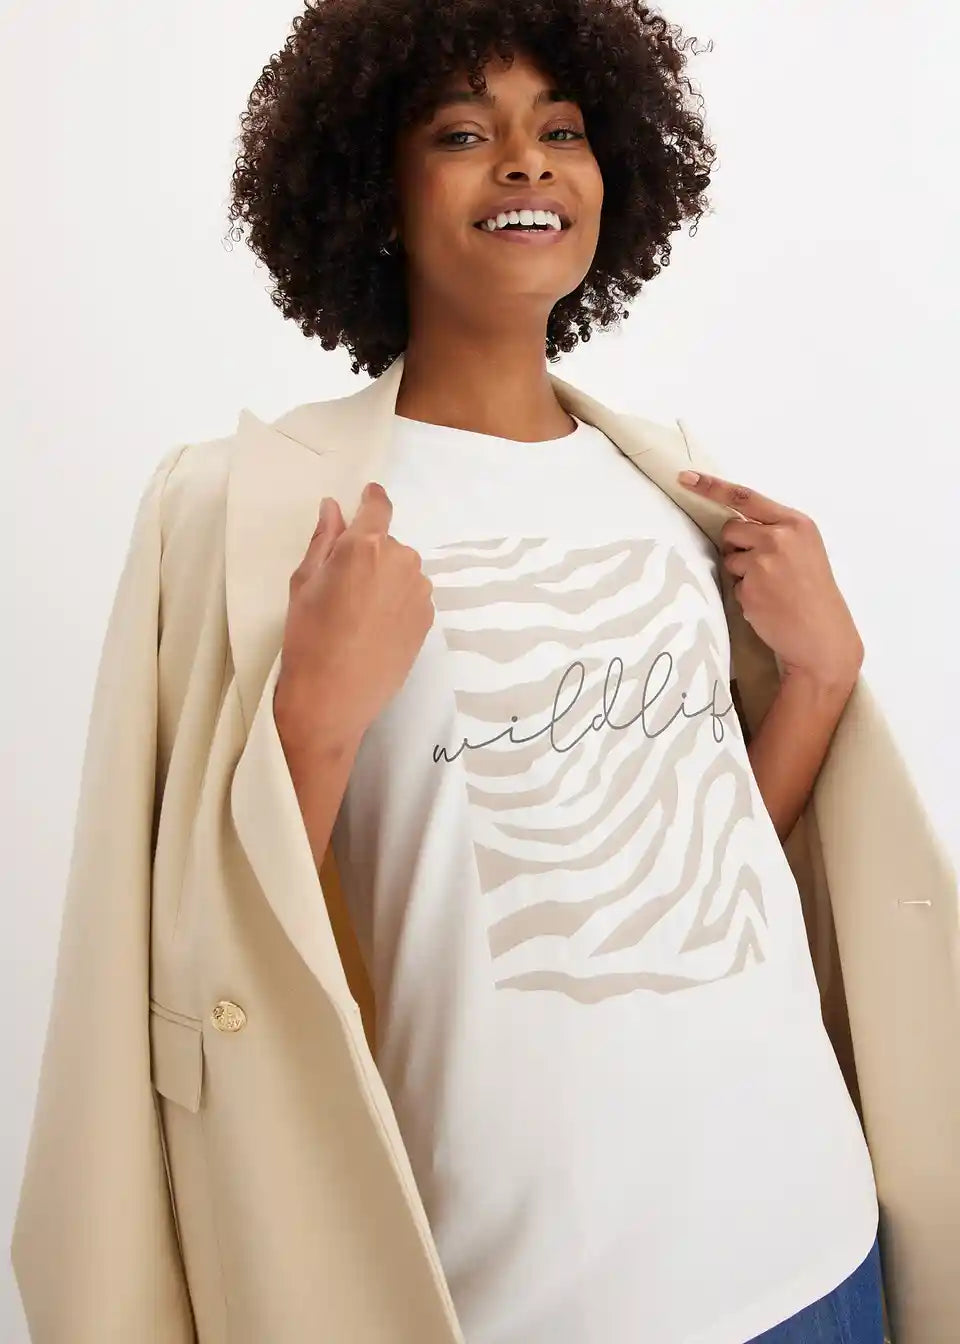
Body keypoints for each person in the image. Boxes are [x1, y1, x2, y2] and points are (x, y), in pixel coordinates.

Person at [17, 0, 925, 1340]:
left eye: (564, 128)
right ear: (372, 189)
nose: (525, 160)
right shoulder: (249, 510)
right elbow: (212, 961)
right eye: (461, 133)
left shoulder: (669, 487)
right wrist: (314, 721)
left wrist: (822, 681)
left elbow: (709, 860)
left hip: (817, 1249)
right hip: (513, 1296)